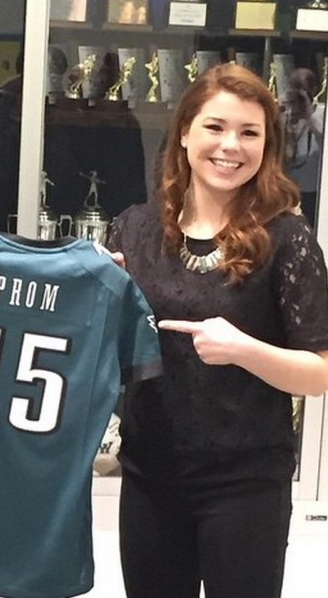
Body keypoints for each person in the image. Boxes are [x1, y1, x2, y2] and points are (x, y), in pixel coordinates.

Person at [107, 62, 328, 598]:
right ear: (184, 132)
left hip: (246, 482)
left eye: (249, 133)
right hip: (148, 473)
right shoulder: (134, 229)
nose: (231, 146)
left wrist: (246, 350)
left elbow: (319, 374)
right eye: (215, 127)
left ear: (266, 146)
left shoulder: (288, 239)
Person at [282, 67, 325, 226]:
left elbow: (324, 139)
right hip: (289, 187)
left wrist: (308, 114)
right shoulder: (286, 112)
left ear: (313, 90)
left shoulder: (321, 114)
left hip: (313, 190)